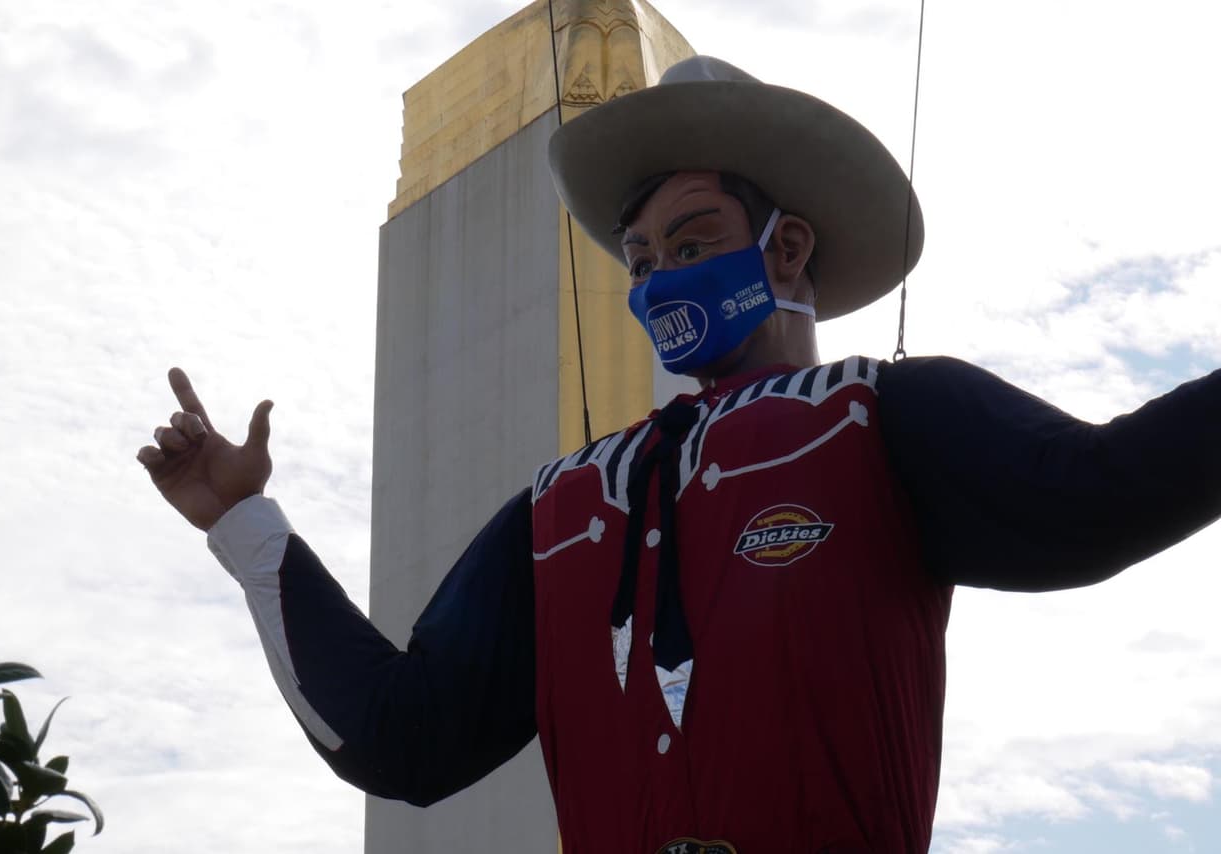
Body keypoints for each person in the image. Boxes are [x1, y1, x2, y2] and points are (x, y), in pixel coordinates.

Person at [136, 57, 1221, 853]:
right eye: (642, 259)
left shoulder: (879, 412)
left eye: (693, 244)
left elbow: (1095, 496)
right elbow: (403, 736)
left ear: (785, 247)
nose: (659, 282)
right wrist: (243, 524)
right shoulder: (562, 505)